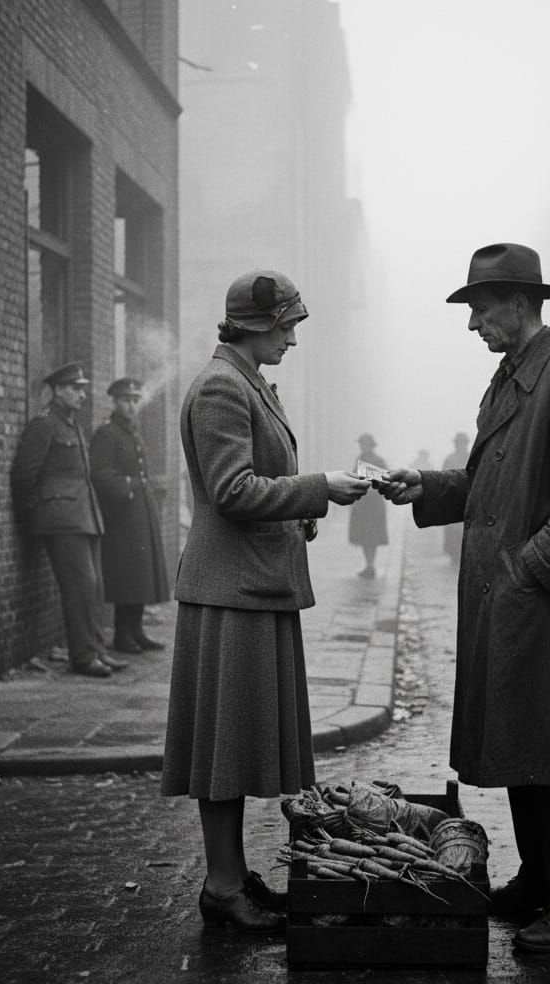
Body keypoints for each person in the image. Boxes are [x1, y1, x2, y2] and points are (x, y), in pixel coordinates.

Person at [378, 242, 550, 954]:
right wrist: (426, 486)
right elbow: (488, 484)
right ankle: (539, 880)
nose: (473, 325)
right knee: (527, 742)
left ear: (521, 306)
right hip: (518, 608)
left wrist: (525, 573)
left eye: (481, 311)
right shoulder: (513, 379)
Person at [160, 269, 369, 934]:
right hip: (232, 592)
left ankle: (233, 875)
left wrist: (303, 511)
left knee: (237, 743)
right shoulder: (223, 384)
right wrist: (317, 489)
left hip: (252, 585)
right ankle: (222, 886)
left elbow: (255, 488)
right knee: (224, 747)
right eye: (286, 326)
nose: (292, 339)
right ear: (253, 323)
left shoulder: (245, 379)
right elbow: (232, 490)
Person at [10, 362, 128, 679]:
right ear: (58, 391)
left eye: (83, 388)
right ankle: (83, 656)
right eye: (75, 388)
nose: (82, 394)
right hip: (63, 520)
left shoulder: (71, 423)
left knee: (93, 587)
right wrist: (38, 510)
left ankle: (98, 650)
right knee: (79, 587)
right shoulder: (44, 425)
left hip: (85, 515)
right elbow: (23, 475)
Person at [89, 377, 170, 654]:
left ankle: (136, 630)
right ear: (115, 402)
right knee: (127, 576)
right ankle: (122, 635)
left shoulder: (132, 433)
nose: (132, 406)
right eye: (126, 400)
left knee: (140, 575)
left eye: (135, 401)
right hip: (121, 518)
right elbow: (100, 476)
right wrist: (130, 488)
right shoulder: (107, 433)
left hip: (139, 516)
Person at [348, 433, 388, 578]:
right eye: (361, 444)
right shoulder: (359, 460)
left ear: (371, 445)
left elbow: (385, 478)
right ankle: (368, 565)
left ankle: (371, 565)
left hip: (374, 504)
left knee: (373, 536)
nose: (362, 447)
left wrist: (370, 478)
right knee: (364, 537)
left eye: (365, 444)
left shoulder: (379, 460)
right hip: (362, 503)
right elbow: (354, 477)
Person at [441, 432, 471, 564]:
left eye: (462, 443)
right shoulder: (450, 459)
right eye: (458, 443)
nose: (460, 445)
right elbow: (442, 477)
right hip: (453, 497)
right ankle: (454, 555)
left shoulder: (472, 456)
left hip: (469, 498)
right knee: (453, 529)